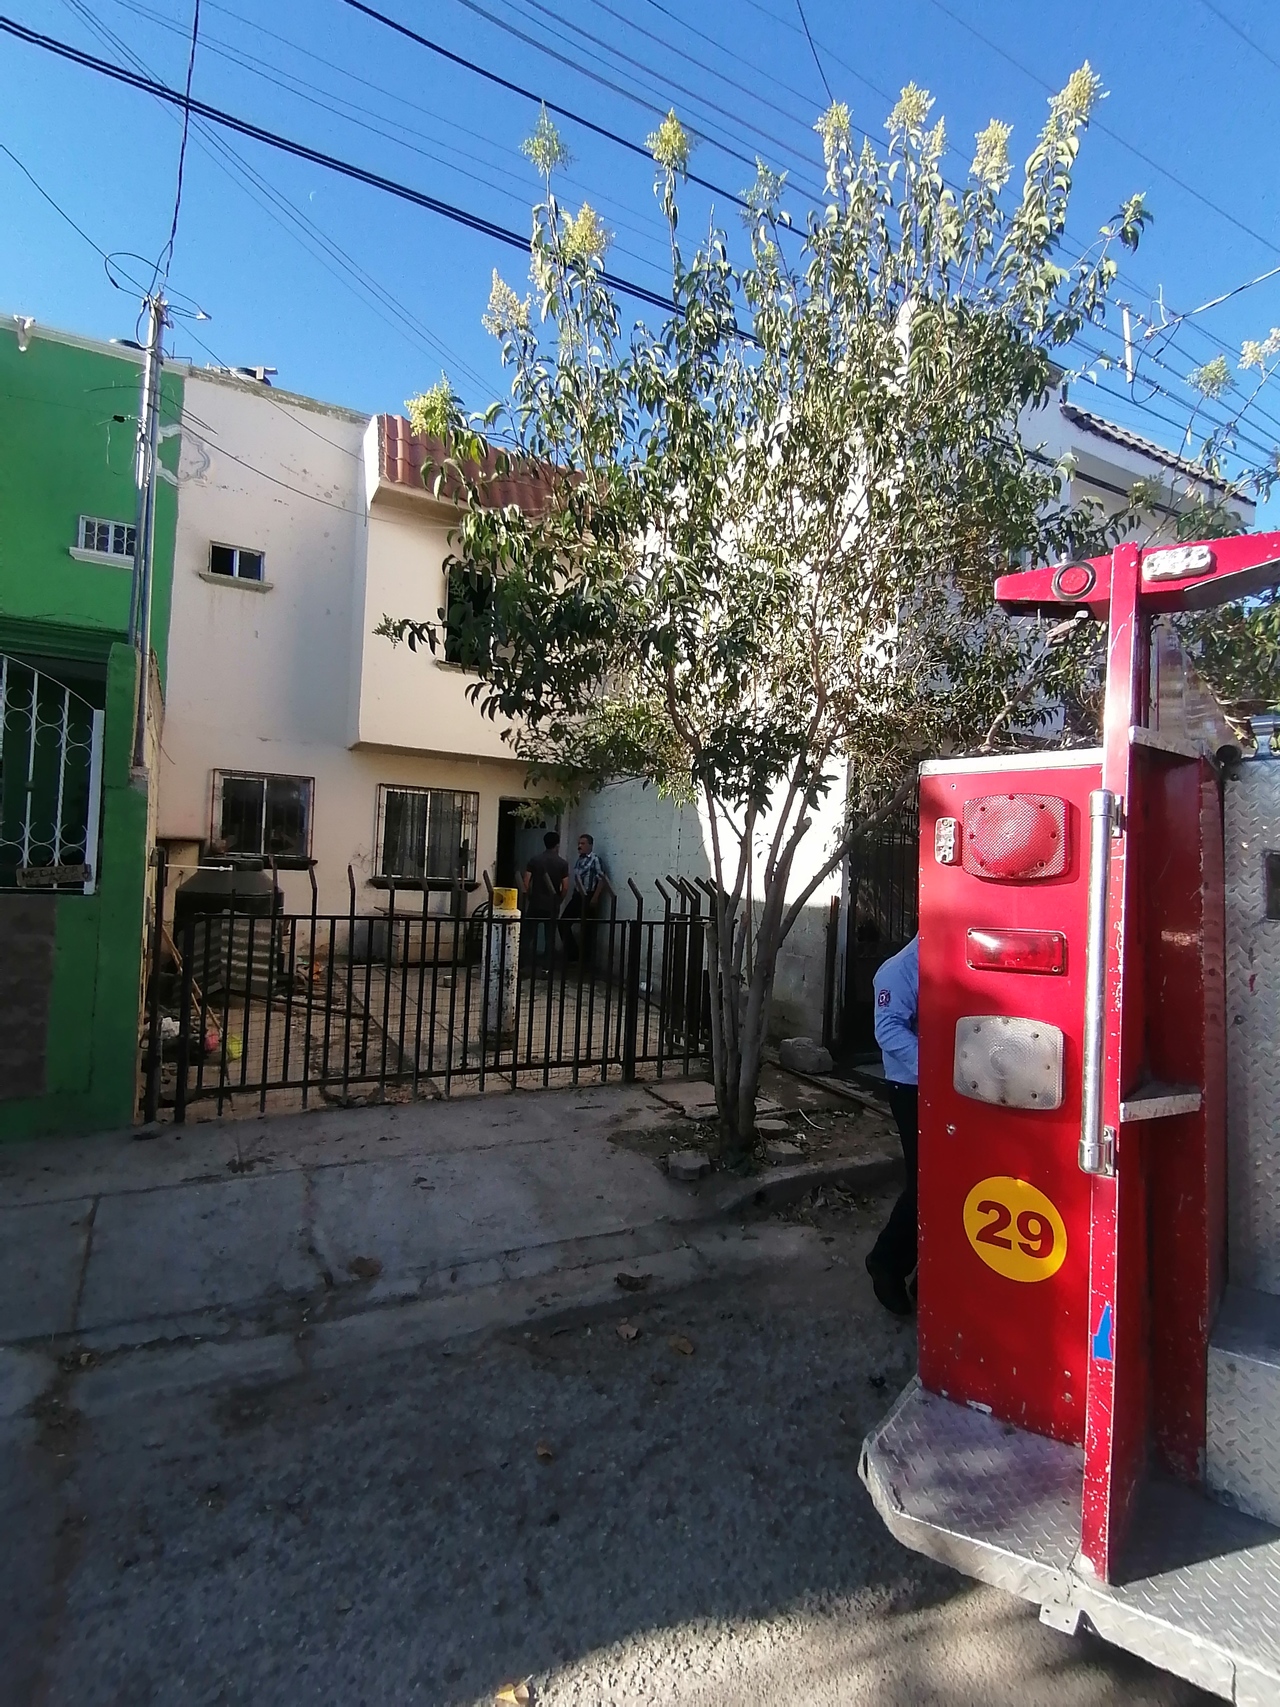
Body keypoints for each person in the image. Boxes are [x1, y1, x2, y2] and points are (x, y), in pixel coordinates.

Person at [866, 933, 919, 1317]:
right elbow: (888, 1031)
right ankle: (887, 1261)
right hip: (912, 1088)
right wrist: (936, 1067)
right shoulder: (899, 971)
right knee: (927, 1183)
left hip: (954, 1087)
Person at [521, 831, 569, 970]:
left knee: (528, 934)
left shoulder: (535, 860)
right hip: (552, 903)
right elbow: (565, 886)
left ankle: (522, 962)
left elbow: (526, 882)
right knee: (550, 936)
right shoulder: (562, 863)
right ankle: (547, 967)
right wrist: (559, 899)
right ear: (557, 845)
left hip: (536, 901)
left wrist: (529, 896)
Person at [560, 833, 605, 962]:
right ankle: (573, 954)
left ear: (590, 845)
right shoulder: (580, 860)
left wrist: (595, 897)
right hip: (578, 895)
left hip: (589, 895)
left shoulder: (595, 860)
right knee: (563, 922)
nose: (579, 846)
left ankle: (585, 960)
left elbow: (601, 879)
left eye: (583, 843)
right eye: (579, 843)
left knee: (587, 929)